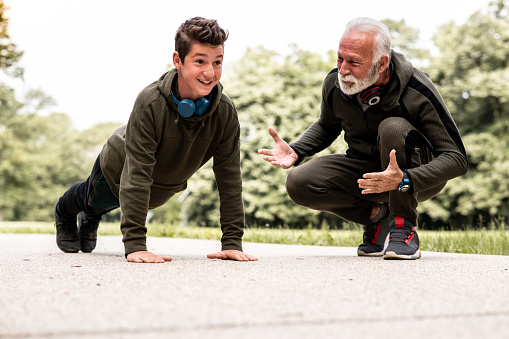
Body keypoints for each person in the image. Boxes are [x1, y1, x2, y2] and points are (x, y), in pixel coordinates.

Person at [258, 17, 467, 260]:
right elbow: (327, 126)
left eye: (354, 62)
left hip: (412, 177)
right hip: (366, 172)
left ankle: (403, 227)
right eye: (340, 58)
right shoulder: (335, 84)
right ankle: (377, 217)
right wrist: (296, 150)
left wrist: (406, 178)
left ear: (381, 64)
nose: (343, 69)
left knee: (392, 128)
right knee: (299, 182)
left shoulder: (417, 90)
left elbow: (456, 159)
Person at [54, 17, 257, 263]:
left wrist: (232, 242)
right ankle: (66, 212)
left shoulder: (224, 112)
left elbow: (229, 178)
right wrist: (136, 246)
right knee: (92, 198)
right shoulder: (150, 102)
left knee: (121, 202)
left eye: (218, 62)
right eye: (200, 61)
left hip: (161, 187)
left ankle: (91, 216)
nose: (210, 72)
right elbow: (136, 174)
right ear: (177, 61)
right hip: (119, 165)